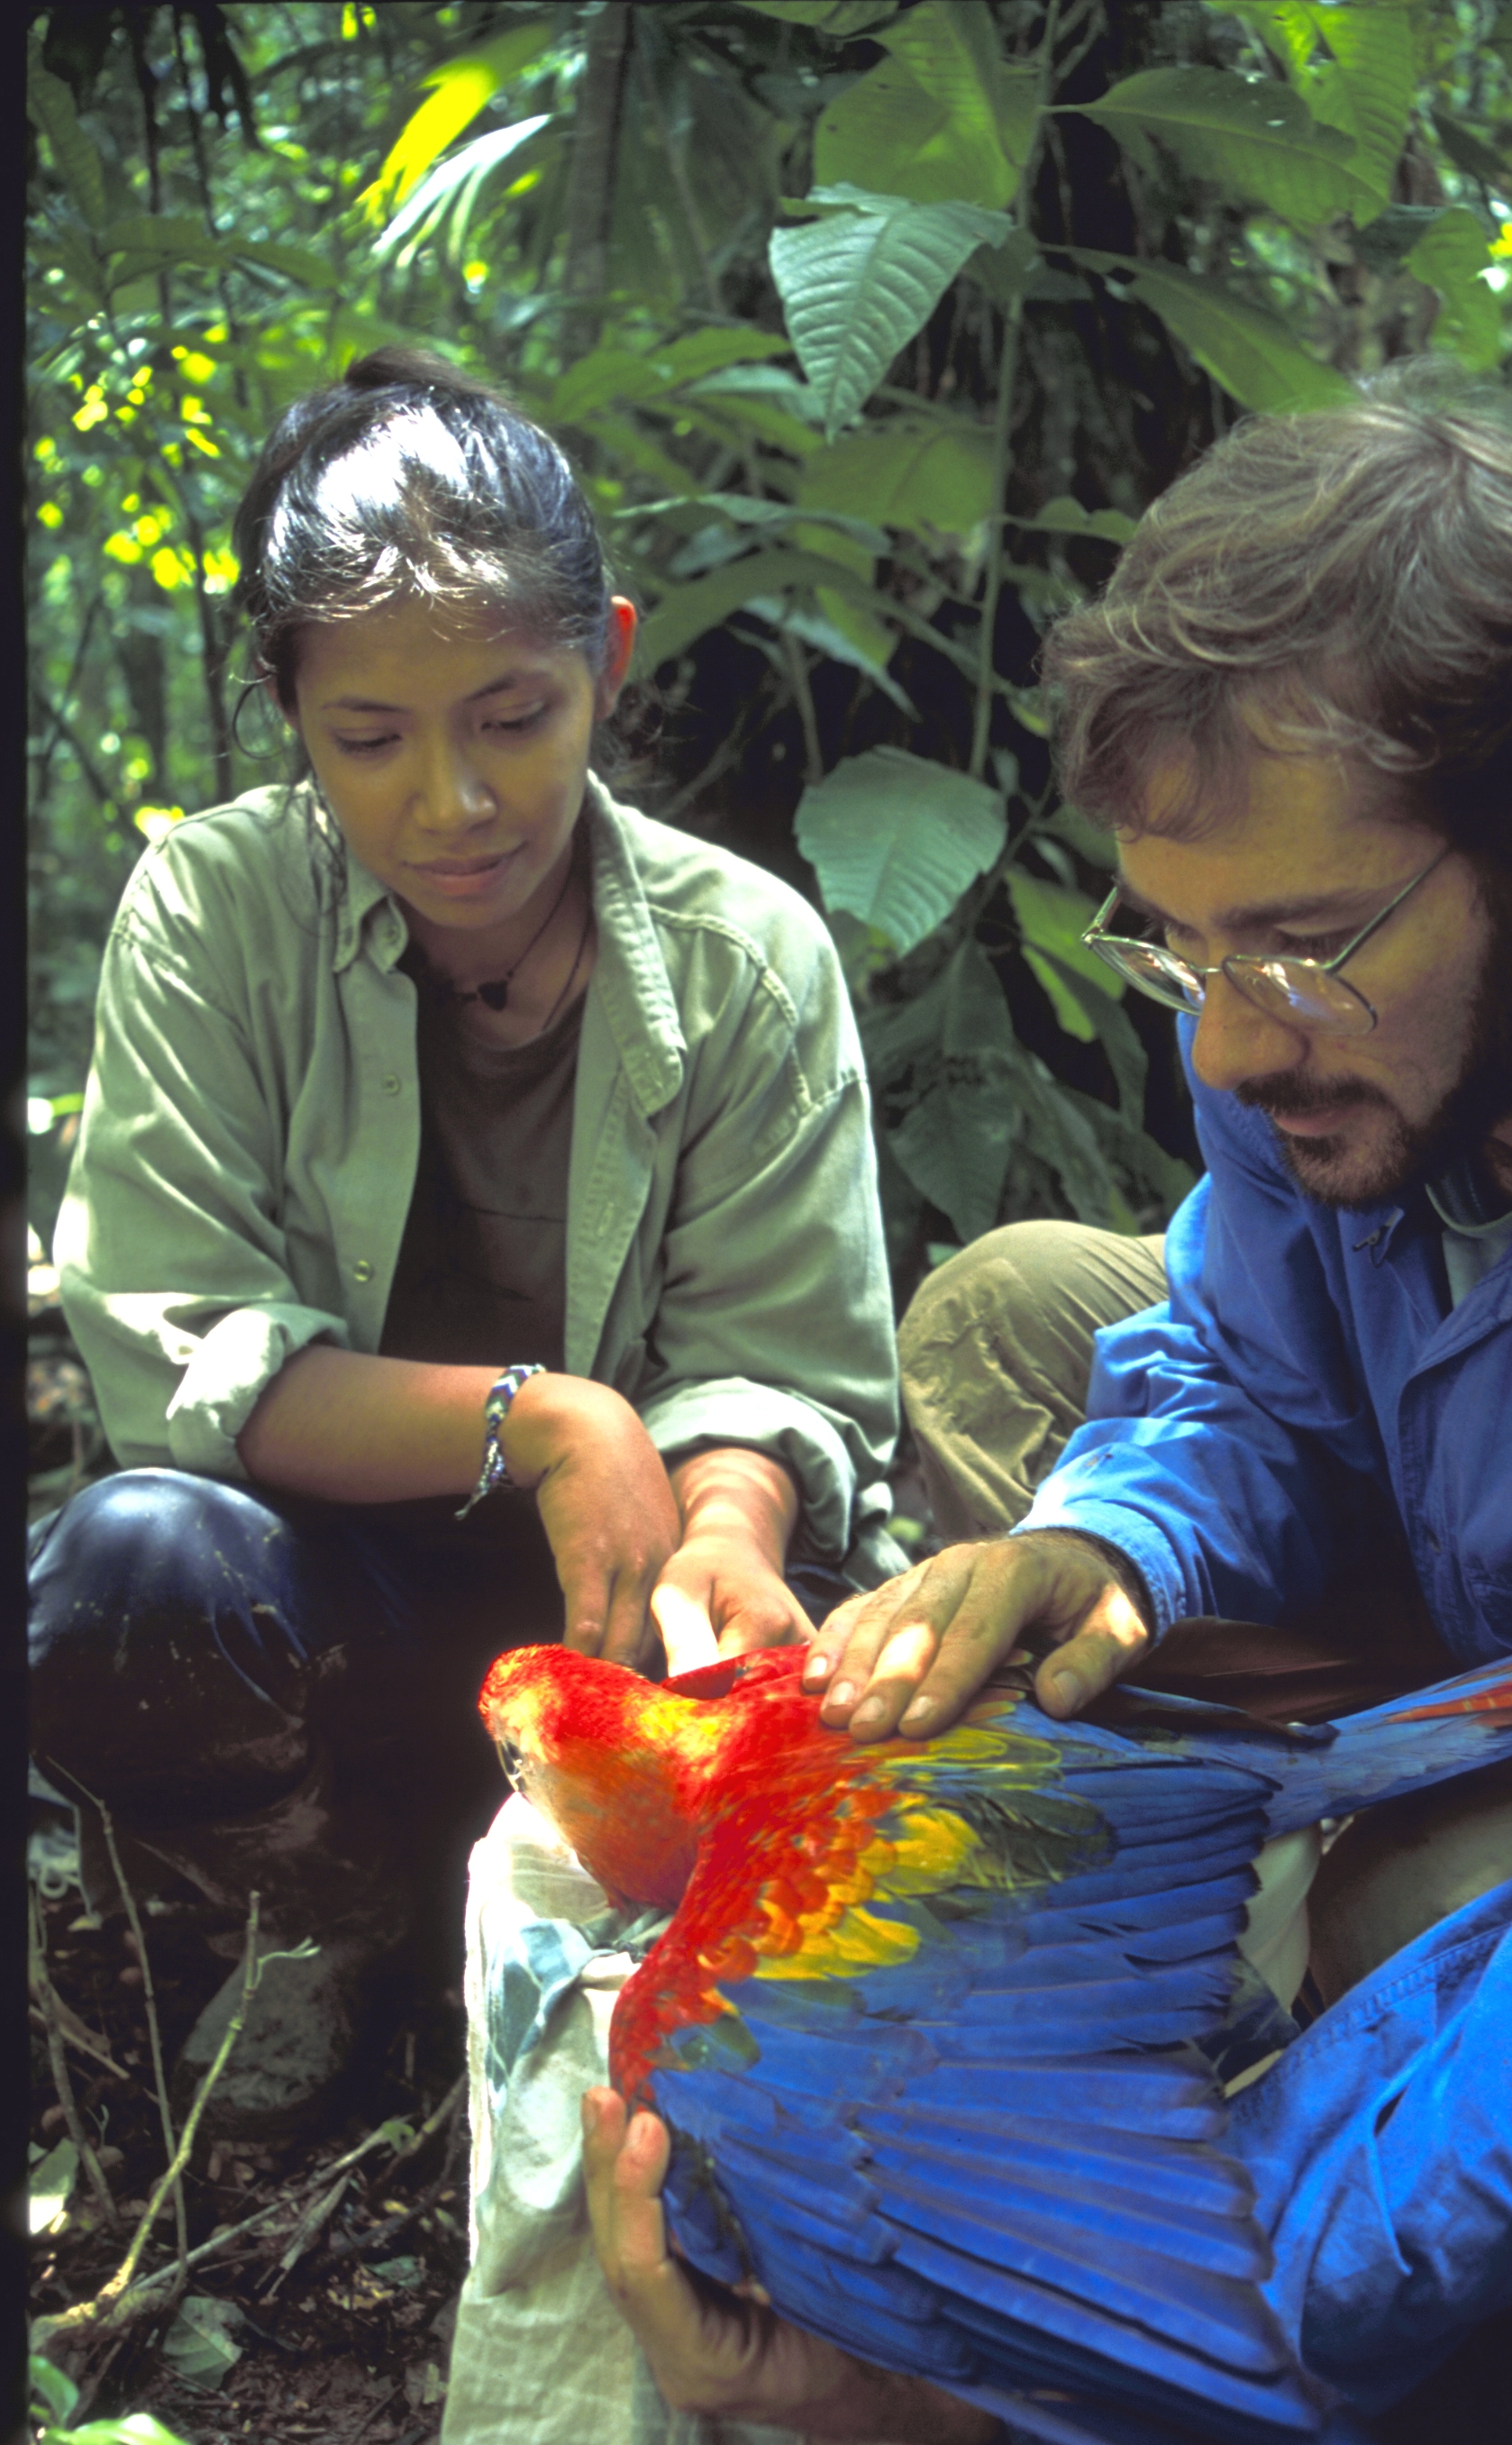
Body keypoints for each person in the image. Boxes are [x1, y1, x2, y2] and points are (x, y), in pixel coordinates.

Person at [576, 373, 1512, 2445]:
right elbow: (1240, 1360)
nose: (1234, 1046)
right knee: (1020, 1326)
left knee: (1450, 1911)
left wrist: (1062, 2322)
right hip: (1503, 1618)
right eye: (1179, 953)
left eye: (1299, 950)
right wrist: (1110, 1545)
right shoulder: (1317, 1001)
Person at [29, 347, 906, 2141]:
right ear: (290, 711)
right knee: (127, 1573)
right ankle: (318, 1901)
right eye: (371, 739)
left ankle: (596, 1931)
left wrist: (723, 1525)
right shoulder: (214, 908)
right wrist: (546, 1418)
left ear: (611, 659)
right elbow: (178, 1354)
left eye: (514, 716)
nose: (455, 802)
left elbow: (781, 1360)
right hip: (327, 1613)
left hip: (620, 1638)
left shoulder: (748, 956)